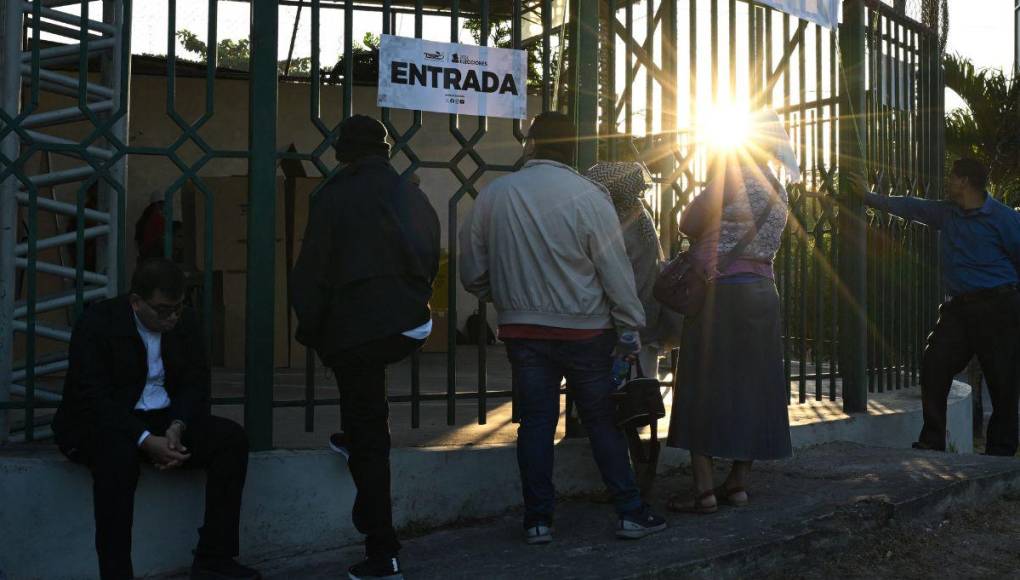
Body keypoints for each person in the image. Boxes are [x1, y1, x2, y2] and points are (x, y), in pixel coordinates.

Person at [459, 111, 667, 544]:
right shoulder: (591, 197)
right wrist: (629, 326)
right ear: (574, 151)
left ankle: (538, 521)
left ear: (530, 145)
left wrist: (507, 301)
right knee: (602, 422)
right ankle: (630, 512)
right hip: (587, 333)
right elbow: (614, 272)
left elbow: (473, 274)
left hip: (522, 333)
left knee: (534, 424)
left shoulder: (495, 195)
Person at [290, 114, 440, 580]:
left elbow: (311, 273)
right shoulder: (409, 193)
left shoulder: (330, 197)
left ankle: (383, 551)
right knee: (365, 409)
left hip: (354, 334)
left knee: (369, 431)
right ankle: (355, 439)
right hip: (410, 324)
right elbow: (430, 255)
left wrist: (313, 332)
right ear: (386, 150)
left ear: (342, 154)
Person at [51, 258, 259, 580]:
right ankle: (117, 573)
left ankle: (214, 559)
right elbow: (94, 397)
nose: (172, 317)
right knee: (118, 460)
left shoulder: (184, 322)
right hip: (103, 424)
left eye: (178, 308)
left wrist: (177, 426)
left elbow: (195, 382)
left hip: (163, 421)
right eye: (163, 310)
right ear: (136, 302)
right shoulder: (97, 323)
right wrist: (146, 441)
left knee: (230, 439)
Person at [665, 111, 798, 514]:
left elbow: (688, 222)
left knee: (701, 385)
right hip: (763, 292)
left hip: (722, 293)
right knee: (755, 388)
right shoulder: (779, 188)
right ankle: (737, 483)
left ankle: (704, 491)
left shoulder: (731, 180)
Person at [864, 158, 1020, 456]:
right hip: (958, 310)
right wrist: (868, 196)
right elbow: (909, 206)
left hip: (999, 306)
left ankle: (1000, 453)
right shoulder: (947, 213)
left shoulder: (1003, 218)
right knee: (934, 363)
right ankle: (932, 440)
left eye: (952, 177)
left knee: (1003, 381)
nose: (948, 182)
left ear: (964, 181)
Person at [583, 161, 679, 377]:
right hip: (646, 317)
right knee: (640, 387)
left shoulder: (615, 221)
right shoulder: (641, 216)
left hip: (619, 324)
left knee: (611, 393)